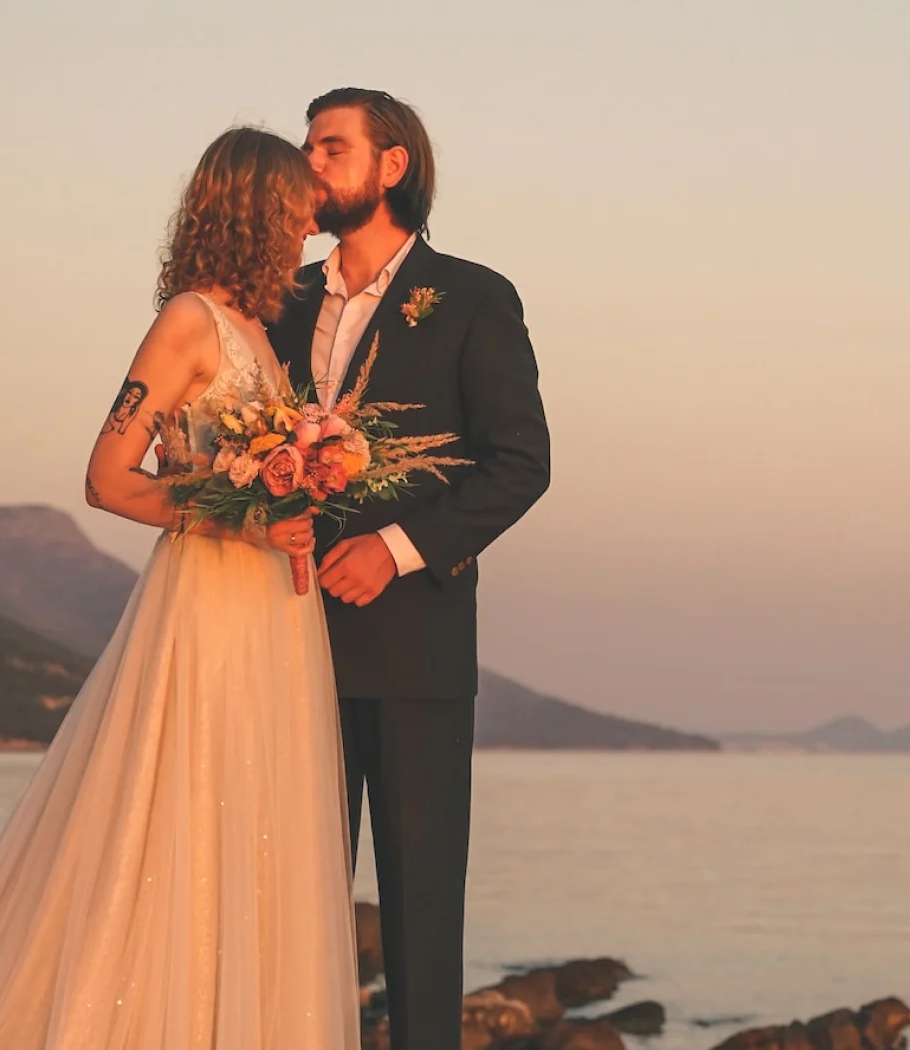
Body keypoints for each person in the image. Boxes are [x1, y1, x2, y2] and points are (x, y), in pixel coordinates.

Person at [0, 126, 362, 1050]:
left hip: (273, 614)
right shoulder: (189, 322)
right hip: (208, 604)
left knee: (256, 821)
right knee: (182, 811)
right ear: (258, 207)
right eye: (299, 196)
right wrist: (237, 515)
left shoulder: (255, 335)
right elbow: (108, 477)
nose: (317, 209)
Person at [273, 87, 552, 1050]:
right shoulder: (280, 298)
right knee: (288, 900)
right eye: (306, 148)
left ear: (394, 165)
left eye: (331, 147)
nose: (310, 164)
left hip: (415, 651)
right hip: (279, 638)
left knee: (421, 909)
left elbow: (521, 464)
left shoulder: (474, 295)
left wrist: (394, 553)